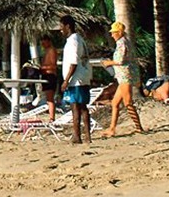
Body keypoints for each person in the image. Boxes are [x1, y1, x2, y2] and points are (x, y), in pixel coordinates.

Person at [98, 21, 145, 135]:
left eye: (114, 32)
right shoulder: (125, 42)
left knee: (128, 102)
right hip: (123, 76)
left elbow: (120, 61)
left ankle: (139, 127)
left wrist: (108, 63)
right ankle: (112, 129)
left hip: (125, 76)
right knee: (115, 103)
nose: (112, 35)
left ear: (119, 32)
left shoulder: (122, 43)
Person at [59, 16, 93, 145]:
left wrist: (66, 80)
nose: (60, 29)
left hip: (76, 79)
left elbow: (73, 63)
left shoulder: (73, 41)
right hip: (82, 76)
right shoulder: (79, 39)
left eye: (61, 26)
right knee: (82, 107)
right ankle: (86, 136)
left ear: (68, 26)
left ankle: (78, 136)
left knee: (76, 107)